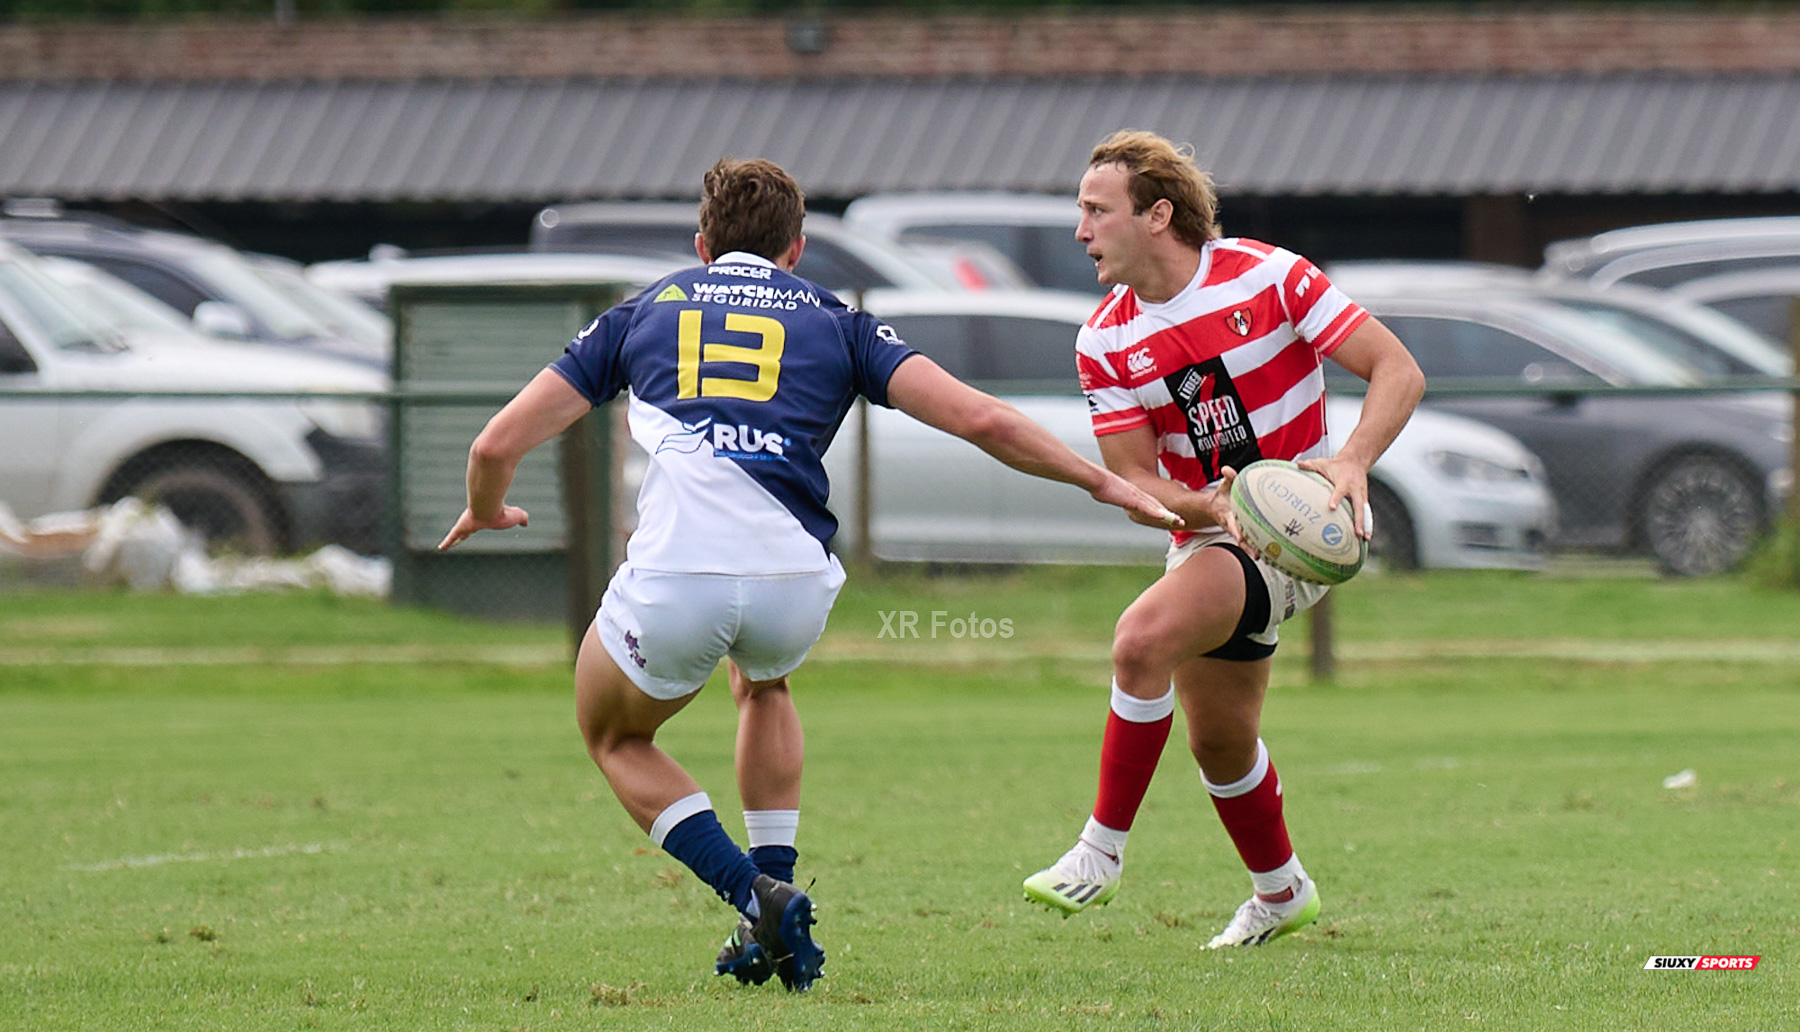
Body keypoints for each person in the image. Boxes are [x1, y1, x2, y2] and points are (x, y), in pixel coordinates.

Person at [438, 157, 1178, 992]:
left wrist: (488, 507)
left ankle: (752, 893)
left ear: (702, 245)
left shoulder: (646, 310)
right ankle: (774, 909)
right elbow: (980, 419)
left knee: (615, 734)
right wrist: (1103, 480)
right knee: (763, 685)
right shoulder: (838, 319)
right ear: (796, 250)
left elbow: (494, 445)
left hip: (681, 574)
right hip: (794, 582)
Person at [1022, 131, 1425, 948]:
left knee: (1139, 641)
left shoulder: (1270, 275)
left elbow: (1398, 370)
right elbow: (1140, 485)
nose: (1081, 230)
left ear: (1157, 214)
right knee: (1220, 740)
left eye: (1097, 211)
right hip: (1214, 534)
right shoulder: (1104, 339)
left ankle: (1100, 850)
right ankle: (1282, 892)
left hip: (1301, 528)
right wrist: (1210, 508)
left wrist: (1349, 462)